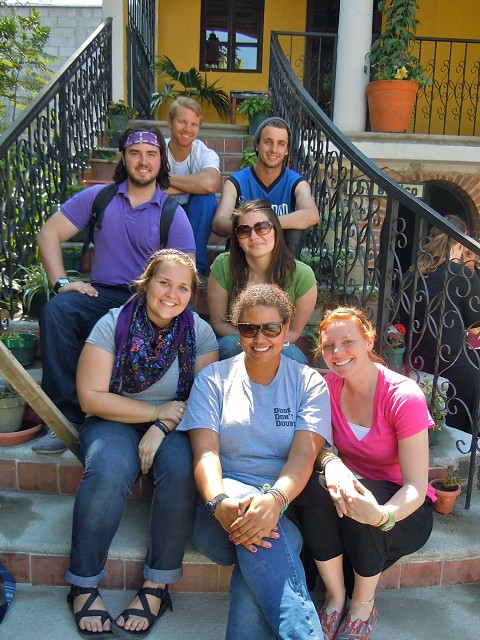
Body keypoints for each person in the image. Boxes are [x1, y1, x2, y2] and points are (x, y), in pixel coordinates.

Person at [65, 249, 218, 638]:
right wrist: (153, 412)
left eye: (183, 288)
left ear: (192, 294)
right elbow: (91, 398)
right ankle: (82, 583)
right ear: (146, 283)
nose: (172, 294)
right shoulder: (112, 324)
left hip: (174, 424)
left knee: (183, 468)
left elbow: (202, 399)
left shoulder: (199, 332)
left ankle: (157, 586)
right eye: (164, 283)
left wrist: (162, 426)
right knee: (109, 467)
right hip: (112, 419)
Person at [177, 283, 331, 639]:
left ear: (286, 328)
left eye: (271, 328)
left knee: (265, 543)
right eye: (249, 329)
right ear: (238, 330)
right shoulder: (213, 379)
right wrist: (219, 503)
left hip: (283, 508)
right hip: (220, 514)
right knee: (265, 535)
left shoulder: (308, 382)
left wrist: (274, 501)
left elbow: (304, 454)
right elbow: (206, 454)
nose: (259, 338)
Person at [33, 124, 196, 453]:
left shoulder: (172, 213)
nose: (143, 161)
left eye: (151, 154)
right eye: (135, 153)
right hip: (102, 294)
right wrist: (61, 282)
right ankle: (65, 418)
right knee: (57, 311)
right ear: (123, 157)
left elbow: (186, 275)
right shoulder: (99, 198)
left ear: (161, 161)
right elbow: (48, 233)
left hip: (148, 300)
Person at [293, 307, 434, 640]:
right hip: (352, 495)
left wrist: (382, 516)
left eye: (348, 342)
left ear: (369, 341)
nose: (337, 352)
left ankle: (362, 605)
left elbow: (415, 486)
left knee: (361, 500)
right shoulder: (326, 389)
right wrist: (332, 462)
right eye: (329, 346)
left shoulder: (403, 396)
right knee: (315, 486)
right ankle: (335, 597)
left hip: (402, 510)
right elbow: (317, 445)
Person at [208, 199, 318, 363]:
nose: (254, 236)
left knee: (293, 357)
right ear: (237, 239)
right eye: (244, 230)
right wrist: (251, 340)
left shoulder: (302, 275)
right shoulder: (224, 265)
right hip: (238, 340)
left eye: (262, 227)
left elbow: (294, 332)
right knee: (230, 344)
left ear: (276, 231)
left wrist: (265, 342)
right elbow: (219, 324)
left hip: (277, 343)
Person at [401, 214, 480, 434]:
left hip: (415, 360)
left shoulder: (412, 274)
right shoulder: (463, 275)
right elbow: (475, 328)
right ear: (462, 242)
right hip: (454, 369)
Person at [212, 117, 319, 258]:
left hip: (280, 258)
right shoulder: (236, 182)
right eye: (268, 142)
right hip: (245, 254)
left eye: (281, 144)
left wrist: (266, 225)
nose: (274, 149)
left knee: (295, 231)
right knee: (239, 231)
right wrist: (249, 228)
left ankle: (287, 272)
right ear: (257, 145)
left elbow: (312, 214)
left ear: (287, 150)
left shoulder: (295, 182)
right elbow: (218, 223)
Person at [166, 96, 221, 282]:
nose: (188, 129)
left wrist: (165, 180)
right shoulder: (156, 150)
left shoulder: (205, 153)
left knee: (205, 199)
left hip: (193, 214)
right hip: (164, 212)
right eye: (182, 122)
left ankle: (196, 269)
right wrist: (190, 186)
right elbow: (147, 187)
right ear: (170, 122)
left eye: (194, 124)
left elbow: (210, 184)